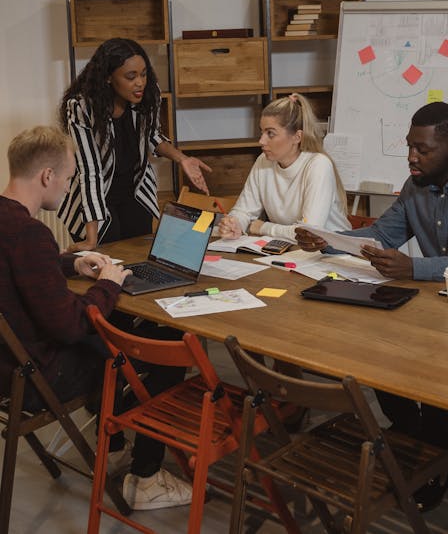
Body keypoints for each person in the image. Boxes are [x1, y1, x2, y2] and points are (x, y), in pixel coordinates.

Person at [296, 101, 448, 510]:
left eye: (423, 149)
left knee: (439, 362)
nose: (411, 157)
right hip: (435, 305)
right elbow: (383, 233)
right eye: (409, 146)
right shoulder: (415, 184)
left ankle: (435, 450)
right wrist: (329, 238)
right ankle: (411, 438)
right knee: (378, 348)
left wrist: (417, 268)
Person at [0, 126, 192, 510]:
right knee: (166, 349)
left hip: (6, 366)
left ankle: (116, 443)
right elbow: (71, 325)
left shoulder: (9, 224)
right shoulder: (31, 234)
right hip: (38, 377)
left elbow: (22, 268)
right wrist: (108, 283)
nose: (68, 187)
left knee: (119, 332)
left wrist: (74, 264)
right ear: (46, 176)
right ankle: (147, 477)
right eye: (69, 178)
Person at [58, 37, 211, 252]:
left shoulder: (149, 94)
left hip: (134, 191)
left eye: (144, 73)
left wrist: (182, 159)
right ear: (108, 77)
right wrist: (91, 238)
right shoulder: (82, 106)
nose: (140, 82)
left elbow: (153, 136)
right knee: (106, 262)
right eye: (131, 76)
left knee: (138, 259)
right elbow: (89, 171)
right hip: (94, 199)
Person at [218, 92, 350, 243]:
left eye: (271, 134)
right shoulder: (264, 161)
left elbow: (308, 233)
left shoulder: (318, 165)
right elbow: (244, 210)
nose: (261, 141)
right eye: (262, 132)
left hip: (335, 254)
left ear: (297, 137)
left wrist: (263, 228)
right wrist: (236, 223)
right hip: (294, 250)